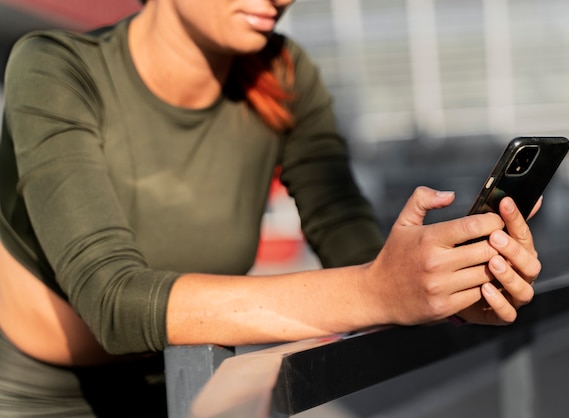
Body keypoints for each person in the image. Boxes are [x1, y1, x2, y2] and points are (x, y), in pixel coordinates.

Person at [0, 0, 540, 416]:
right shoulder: (55, 68)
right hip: (35, 396)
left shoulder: (284, 71)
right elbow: (114, 301)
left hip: (190, 382)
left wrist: (447, 286)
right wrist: (378, 292)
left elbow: (346, 233)